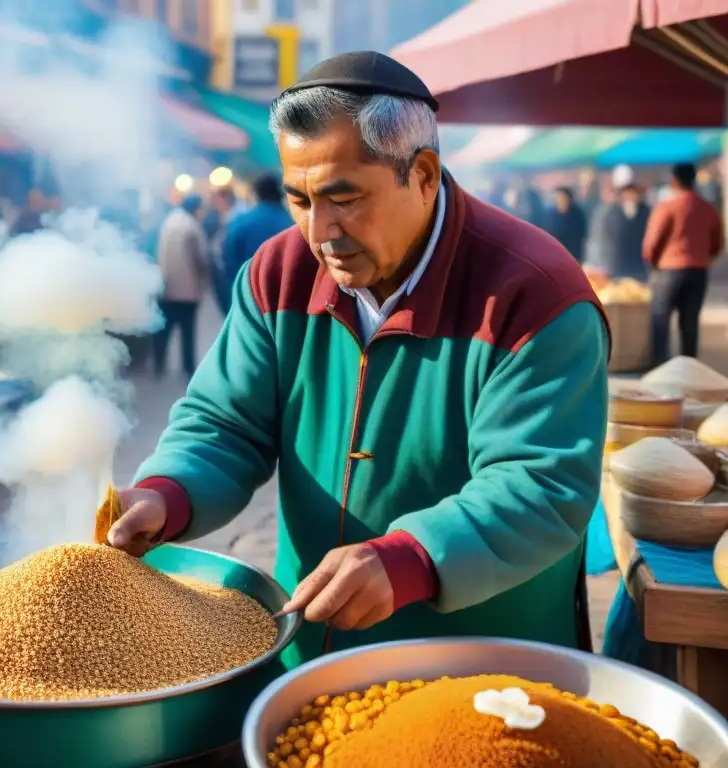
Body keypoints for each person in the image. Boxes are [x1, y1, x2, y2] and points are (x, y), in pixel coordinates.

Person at [107, 52, 608, 669]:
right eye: (299, 199)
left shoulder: (535, 293)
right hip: (310, 640)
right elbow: (224, 423)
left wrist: (411, 557)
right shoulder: (278, 272)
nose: (319, 232)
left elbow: (541, 483)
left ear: (423, 175)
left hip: (481, 657)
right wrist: (168, 493)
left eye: (344, 199)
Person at [644, 162, 723, 362]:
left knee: (660, 319)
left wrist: (652, 261)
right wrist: (706, 256)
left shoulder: (667, 207)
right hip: (698, 270)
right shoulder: (707, 208)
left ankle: (659, 366)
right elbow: (718, 242)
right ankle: (688, 368)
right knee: (690, 322)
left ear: (673, 180)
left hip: (669, 270)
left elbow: (652, 242)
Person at [219, 174, 294, 309]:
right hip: (292, 300)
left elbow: (228, 264)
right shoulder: (294, 223)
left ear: (257, 194)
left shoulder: (239, 223)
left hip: (250, 299)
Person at [153, 194, 207, 378]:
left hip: (166, 287)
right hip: (187, 290)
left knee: (164, 331)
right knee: (187, 333)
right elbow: (201, 258)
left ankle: (158, 365)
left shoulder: (168, 222)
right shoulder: (191, 226)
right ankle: (188, 367)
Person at [586, 166, 650, 280]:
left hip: (640, 267)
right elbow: (601, 239)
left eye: (633, 193)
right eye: (627, 193)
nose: (630, 197)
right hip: (616, 266)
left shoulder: (646, 212)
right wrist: (600, 264)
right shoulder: (609, 213)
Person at [205, 186, 238, 315]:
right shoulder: (224, 216)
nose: (214, 204)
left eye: (217, 200)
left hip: (230, 272)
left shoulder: (235, 217)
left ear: (225, 199)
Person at [544, 187, 587, 263]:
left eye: (564, 199)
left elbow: (582, 235)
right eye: (559, 199)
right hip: (554, 255)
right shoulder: (551, 215)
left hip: (573, 255)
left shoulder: (577, 215)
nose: (562, 201)